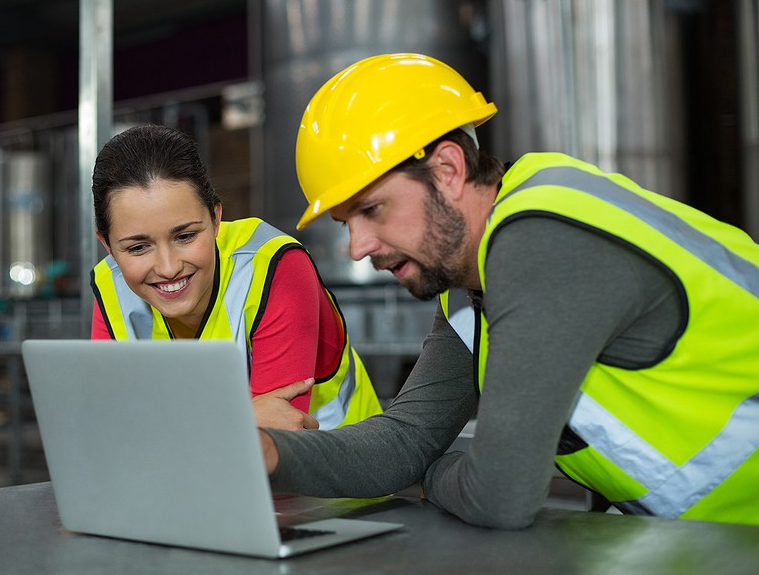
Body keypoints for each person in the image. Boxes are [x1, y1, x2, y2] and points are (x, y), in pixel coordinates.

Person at [259, 53, 759, 529]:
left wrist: (434, 474)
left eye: (371, 209)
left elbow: (497, 495)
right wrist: (269, 451)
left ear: (448, 170)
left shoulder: (543, 239)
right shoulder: (471, 284)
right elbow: (406, 439)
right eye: (346, 222)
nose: (357, 248)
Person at [90, 124, 382, 431]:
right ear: (107, 245)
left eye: (186, 236)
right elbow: (109, 430)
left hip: (347, 466)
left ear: (216, 218)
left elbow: (271, 446)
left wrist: (150, 424)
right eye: (138, 247)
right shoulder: (109, 285)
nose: (167, 267)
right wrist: (239, 418)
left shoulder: (274, 266)